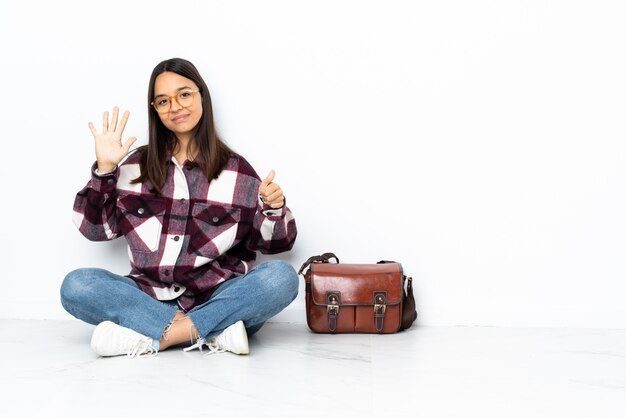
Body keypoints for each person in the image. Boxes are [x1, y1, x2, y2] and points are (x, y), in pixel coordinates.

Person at [60, 57, 299, 358]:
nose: (175, 106)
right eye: (163, 101)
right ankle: (210, 332)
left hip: (218, 298)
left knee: (281, 278)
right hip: (147, 298)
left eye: (184, 94)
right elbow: (96, 230)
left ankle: (154, 337)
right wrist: (106, 170)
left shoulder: (238, 172)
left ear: (201, 95)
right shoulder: (134, 166)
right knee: (77, 285)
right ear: (156, 110)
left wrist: (273, 208)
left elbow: (277, 244)